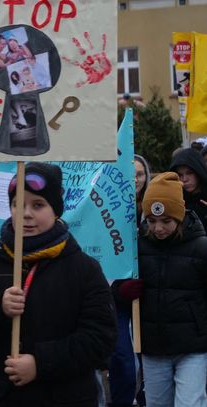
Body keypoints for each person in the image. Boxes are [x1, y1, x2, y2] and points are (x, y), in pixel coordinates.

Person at [0, 162, 117, 406]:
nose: (26, 214)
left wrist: (40, 363)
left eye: (38, 205)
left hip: (64, 398)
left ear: (56, 210)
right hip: (1, 398)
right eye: (18, 204)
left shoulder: (84, 269)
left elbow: (100, 340)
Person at [114, 172, 207, 406]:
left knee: (190, 403)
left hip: (193, 347)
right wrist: (123, 291)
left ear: (180, 215)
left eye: (166, 221)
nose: (157, 228)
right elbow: (115, 289)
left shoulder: (201, 247)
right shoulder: (136, 248)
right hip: (153, 347)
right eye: (152, 221)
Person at [108, 154, 151, 407]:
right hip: (117, 294)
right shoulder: (109, 209)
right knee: (123, 357)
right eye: (130, 173)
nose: (135, 179)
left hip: (148, 295)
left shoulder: (155, 208)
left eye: (140, 174)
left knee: (149, 360)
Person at [169, 147, 207, 230]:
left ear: (198, 171)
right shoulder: (175, 200)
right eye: (180, 175)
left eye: (189, 173)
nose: (185, 179)